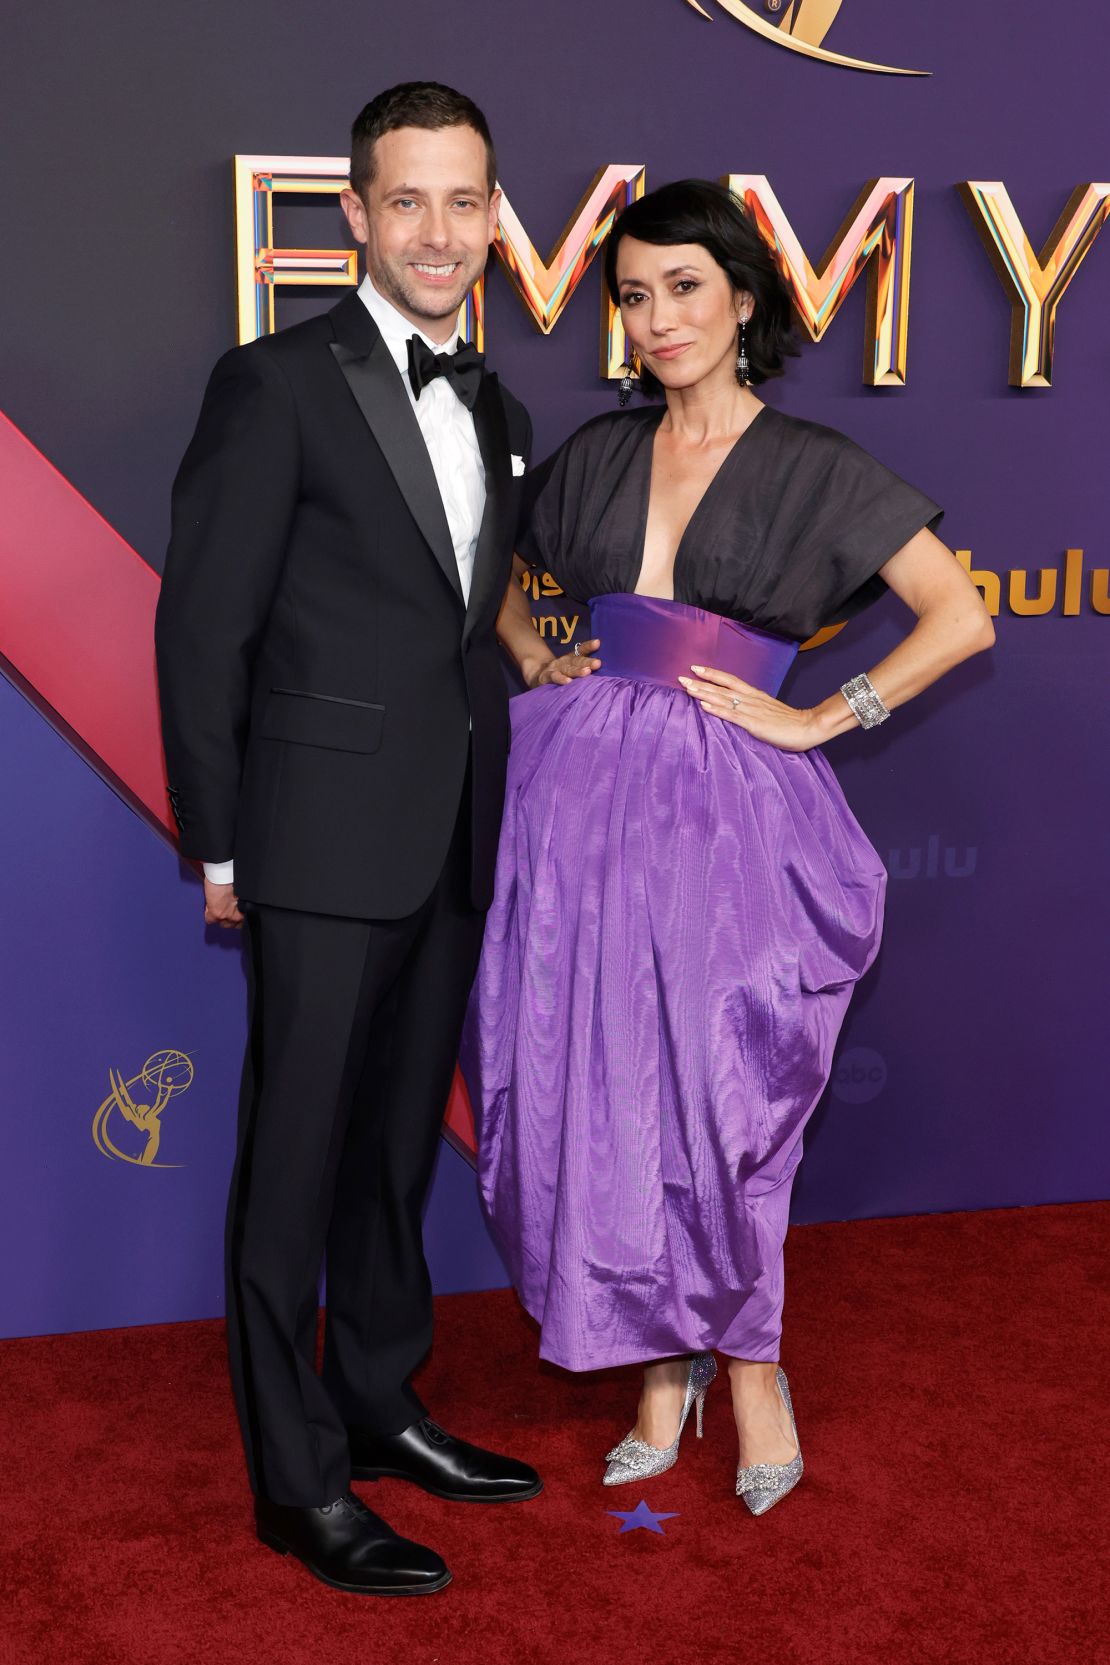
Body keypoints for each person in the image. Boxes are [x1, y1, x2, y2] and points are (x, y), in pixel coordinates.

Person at [463, 179, 995, 1516]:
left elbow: (959, 615)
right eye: (633, 295)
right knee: (601, 1085)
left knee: (724, 1097)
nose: (657, 318)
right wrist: (541, 661)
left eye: (683, 287)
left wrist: (820, 712)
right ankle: (658, 1367)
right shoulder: (591, 452)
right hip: (576, 808)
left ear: (743, 297)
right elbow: (495, 587)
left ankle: (747, 1364)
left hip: (724, 811)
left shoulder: (815, 464)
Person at [155, 82, 547, 1597]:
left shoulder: (502, 407)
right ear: (355, 217)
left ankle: (381, 1399)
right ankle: (294, 1476)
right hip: (312, 841)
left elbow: (470, 629)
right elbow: (204, 633)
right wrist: (222, 842)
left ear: (494, 213)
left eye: (467, 201)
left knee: (391, 1156)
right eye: (409, 202)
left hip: (449, 833)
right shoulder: (275, 382)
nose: (441, 233)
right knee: (294, 1167)